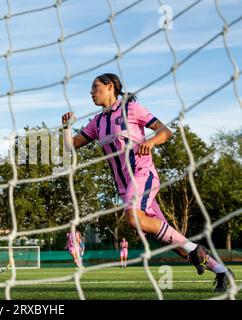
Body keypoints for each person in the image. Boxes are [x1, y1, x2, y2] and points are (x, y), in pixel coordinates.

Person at [61, 73, 233, 292]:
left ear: (110, 86)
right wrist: (67, 127)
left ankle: (196, 249)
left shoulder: (131, 109)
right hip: (125, 188)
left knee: (132, 216)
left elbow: (165, 131)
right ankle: (220, 271)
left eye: (95, 87)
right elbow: (70, 147)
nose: (91, 92)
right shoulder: (98, 122)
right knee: (175, 244)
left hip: (143, 174)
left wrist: (151, 142)